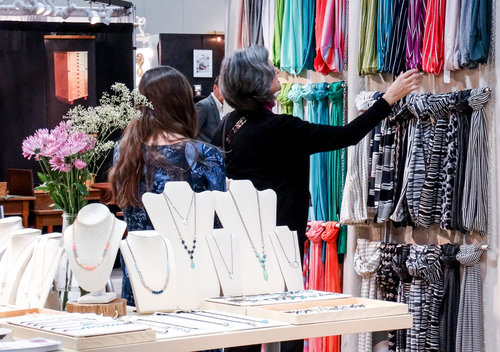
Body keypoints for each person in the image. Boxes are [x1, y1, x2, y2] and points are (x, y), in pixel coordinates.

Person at [211, 46, 422, 352]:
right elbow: (346, 136)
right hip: (282, 235)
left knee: (248, 317)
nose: (275, 71)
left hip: (243, 236)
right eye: (269, 68)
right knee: (288, 315)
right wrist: (388, 99)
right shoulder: (280, 129)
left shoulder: (230, 124)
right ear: (256, 80)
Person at [109, 66, 226, 306]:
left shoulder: (124, 154)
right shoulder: (205, 155)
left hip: (140, 274)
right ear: (183, 104)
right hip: (193, 273)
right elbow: (216, 225)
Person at [195, 76, 224, 142]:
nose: (227, 93)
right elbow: (192, 133)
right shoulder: (203, 105)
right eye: (224, 90)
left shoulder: (225, 106)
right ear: (215, 88)